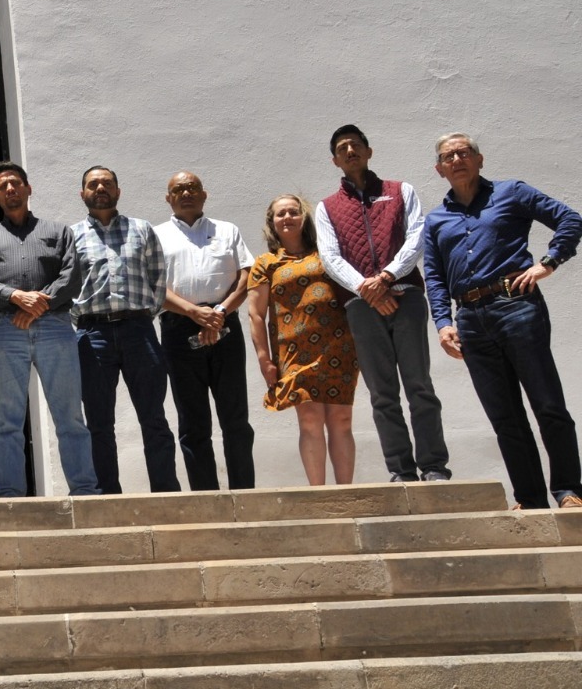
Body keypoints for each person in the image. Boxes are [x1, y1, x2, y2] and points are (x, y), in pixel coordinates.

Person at [422, 133, 582, 510]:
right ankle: (529, 498)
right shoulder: (436, 220)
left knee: (547, 404)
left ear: (479, 159)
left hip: (518, 307)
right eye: (449, 156)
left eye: (464, 152)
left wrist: (549, 263)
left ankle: (569, 491)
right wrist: (444, 323)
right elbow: (434, 275)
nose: (457, 159)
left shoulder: (511, 192)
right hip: (472, 321)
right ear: (440, 169)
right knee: (505, 417)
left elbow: (569, 219)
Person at [315, 124, 451, 483]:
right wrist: (367, 289)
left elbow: (417, 235)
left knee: (419, 385)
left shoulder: (400, 191)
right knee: (382, 393)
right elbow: (330, 258)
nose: (349, 151)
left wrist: (387, 278)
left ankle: (434, 466)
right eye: (342, 147)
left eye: (355, 145)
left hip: (406, 296)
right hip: (361, 307)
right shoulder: (327, 208)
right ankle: (401, 470)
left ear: (368, 151)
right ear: (334, 160)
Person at [0, 161, 100, 498]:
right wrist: (15, 297)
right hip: (4, 330)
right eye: (3, 186)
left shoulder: (59, 232)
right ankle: (9, 495)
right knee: (7, 421)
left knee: (70, 416)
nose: (10, 189)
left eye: (16, 183)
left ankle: (84, 490)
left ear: (28, 189)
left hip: (55, 327)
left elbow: (72, 275)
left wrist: (40, 304)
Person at [69, 166, 180, 494]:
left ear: (118, 191)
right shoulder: (71, 236)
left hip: (138, 331)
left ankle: (165, 493)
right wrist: (82, 320)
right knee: (99, 424)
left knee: (154, 418)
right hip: (92, 336)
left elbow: (158, 278)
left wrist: (143, 315)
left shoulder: (141, 230)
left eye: (107, 183)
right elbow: (66, 286)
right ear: (82, 193)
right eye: (93, 184)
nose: (100, 187)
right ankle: (107, 497)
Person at [246, 194, 359, 486]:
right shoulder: (266, 263)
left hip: (339, 345)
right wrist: (264, 359)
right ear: (272, 223)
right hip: (294, 353)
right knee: (309, 421)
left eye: (293, 212)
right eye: (280, 214)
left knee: (342, 421)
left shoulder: (327, 253)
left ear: (304, 217)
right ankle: (319, 494)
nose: (287, 218)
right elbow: (256, 315)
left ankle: (345, 492)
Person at [155, 171, 256, 491]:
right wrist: (193, 312)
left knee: (235, 419)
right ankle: (206, 497)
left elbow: (246, 276)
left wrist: (220, 312)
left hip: (224, 321)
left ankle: (244, 494)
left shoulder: (227, 230)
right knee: (193, 422)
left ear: (204, 194)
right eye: (178, 189)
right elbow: (152, 286)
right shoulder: (154, 235)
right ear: (168, 198)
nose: (186, 193)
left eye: (192, 188)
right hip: (178, 327)